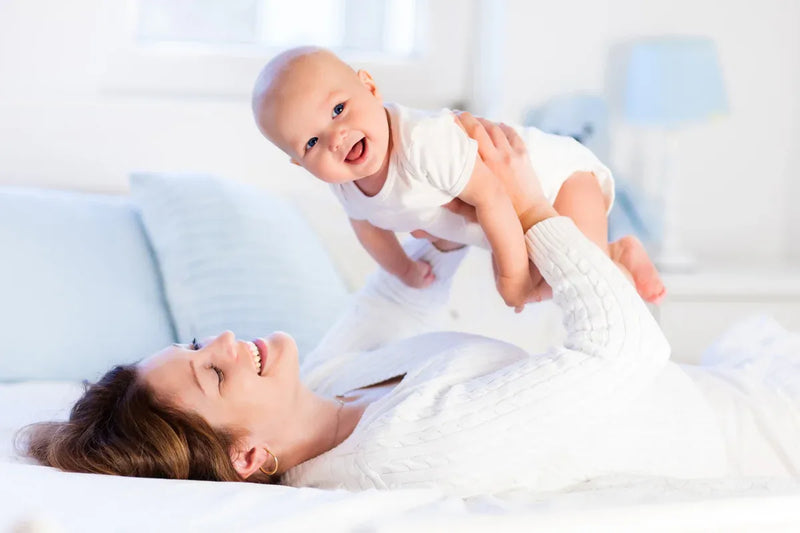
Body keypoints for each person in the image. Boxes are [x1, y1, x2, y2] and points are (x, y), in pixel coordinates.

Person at [23, 116, 799, 496]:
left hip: (715, 388)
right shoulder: (397, 452)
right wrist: (531, 210)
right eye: (214, 374)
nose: (226, 340)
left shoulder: (329, 391)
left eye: (198, 343)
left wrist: (406, 189)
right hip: (761, 435)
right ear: (248, 458)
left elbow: (409, 283)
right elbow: (626, 355)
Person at [250, 46, 666, 310]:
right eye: (310, 143)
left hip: (556, 180)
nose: (336, 138)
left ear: (370, 88)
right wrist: (404, 271)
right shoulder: (345, 187)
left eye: (339, 109)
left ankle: (617, 258)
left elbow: (493, 198)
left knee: (587, 285)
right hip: (513, 222)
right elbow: (369, 229)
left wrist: (512, 282)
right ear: (300, 164)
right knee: (556, 282)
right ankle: (617, 253)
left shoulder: (424, 142)